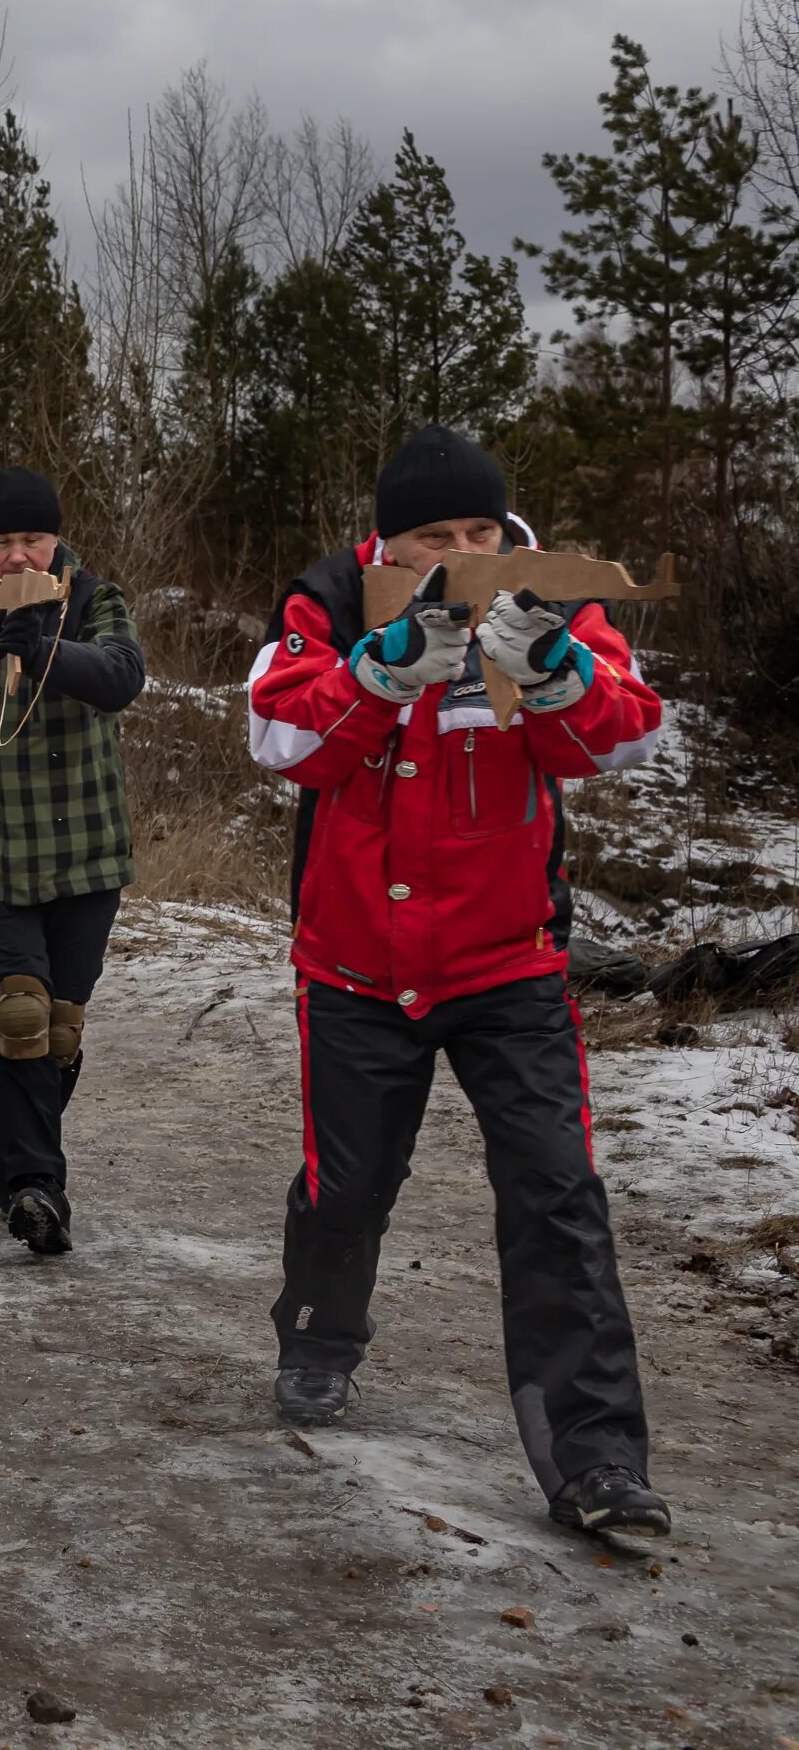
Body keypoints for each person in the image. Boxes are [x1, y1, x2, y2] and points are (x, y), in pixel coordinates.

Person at [247, 424, 670, 1541]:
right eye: (437, 534)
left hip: (508, 961)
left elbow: (626, 741)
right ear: (391, 535)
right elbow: (277, 739)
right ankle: (320, 1340)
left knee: (556, 1196)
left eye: (480, 529)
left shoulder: (556, 602)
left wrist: (556, 674)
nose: (465, 550)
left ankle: (595, 1458)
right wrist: (377, 674)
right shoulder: (331, 599)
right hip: (354, 964)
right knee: (348, 1187)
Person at [0, 467, 146, 1252]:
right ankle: (39, 1185)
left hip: (86, 851)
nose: (19, 555)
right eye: (2, 540)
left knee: (60, 1029)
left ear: (56, 538)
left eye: (33, 538)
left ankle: (19, 1167)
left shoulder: (93, 598)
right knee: (21, 1013)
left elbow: (122, 677)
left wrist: (45, 648)